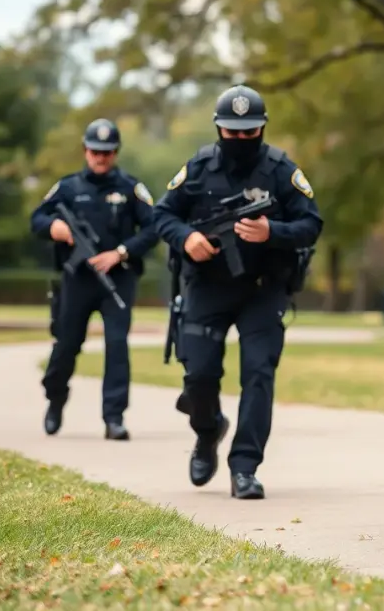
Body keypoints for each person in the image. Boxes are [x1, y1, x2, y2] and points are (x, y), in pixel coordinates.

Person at [152, 84, 322, 500]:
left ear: (262, 128)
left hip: (263, 291)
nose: (241, 139)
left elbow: (311, 224)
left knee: (259, 375)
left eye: (250, 132)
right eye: (233, 132)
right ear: (219, 129)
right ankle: (207, 431)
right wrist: (185, 237)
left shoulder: (282, 170)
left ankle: (244, 468)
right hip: (207, 288)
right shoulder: (198, 167)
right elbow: (161, 214)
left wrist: (272, 232)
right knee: (199, 376)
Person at [30, 118, 160, 441]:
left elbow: (155, 227)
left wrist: (120, 253)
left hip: (117, 280)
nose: (100, 157)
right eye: (95, 151)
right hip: (78, 280)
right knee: (67, 344)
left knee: (117, 345)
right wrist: (54, 229)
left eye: (107, 151)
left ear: (116, 152)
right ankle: (55, 397)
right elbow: (37, 218)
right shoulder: (68, 187)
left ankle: (114, 417)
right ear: (85, 150)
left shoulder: (131, 189)